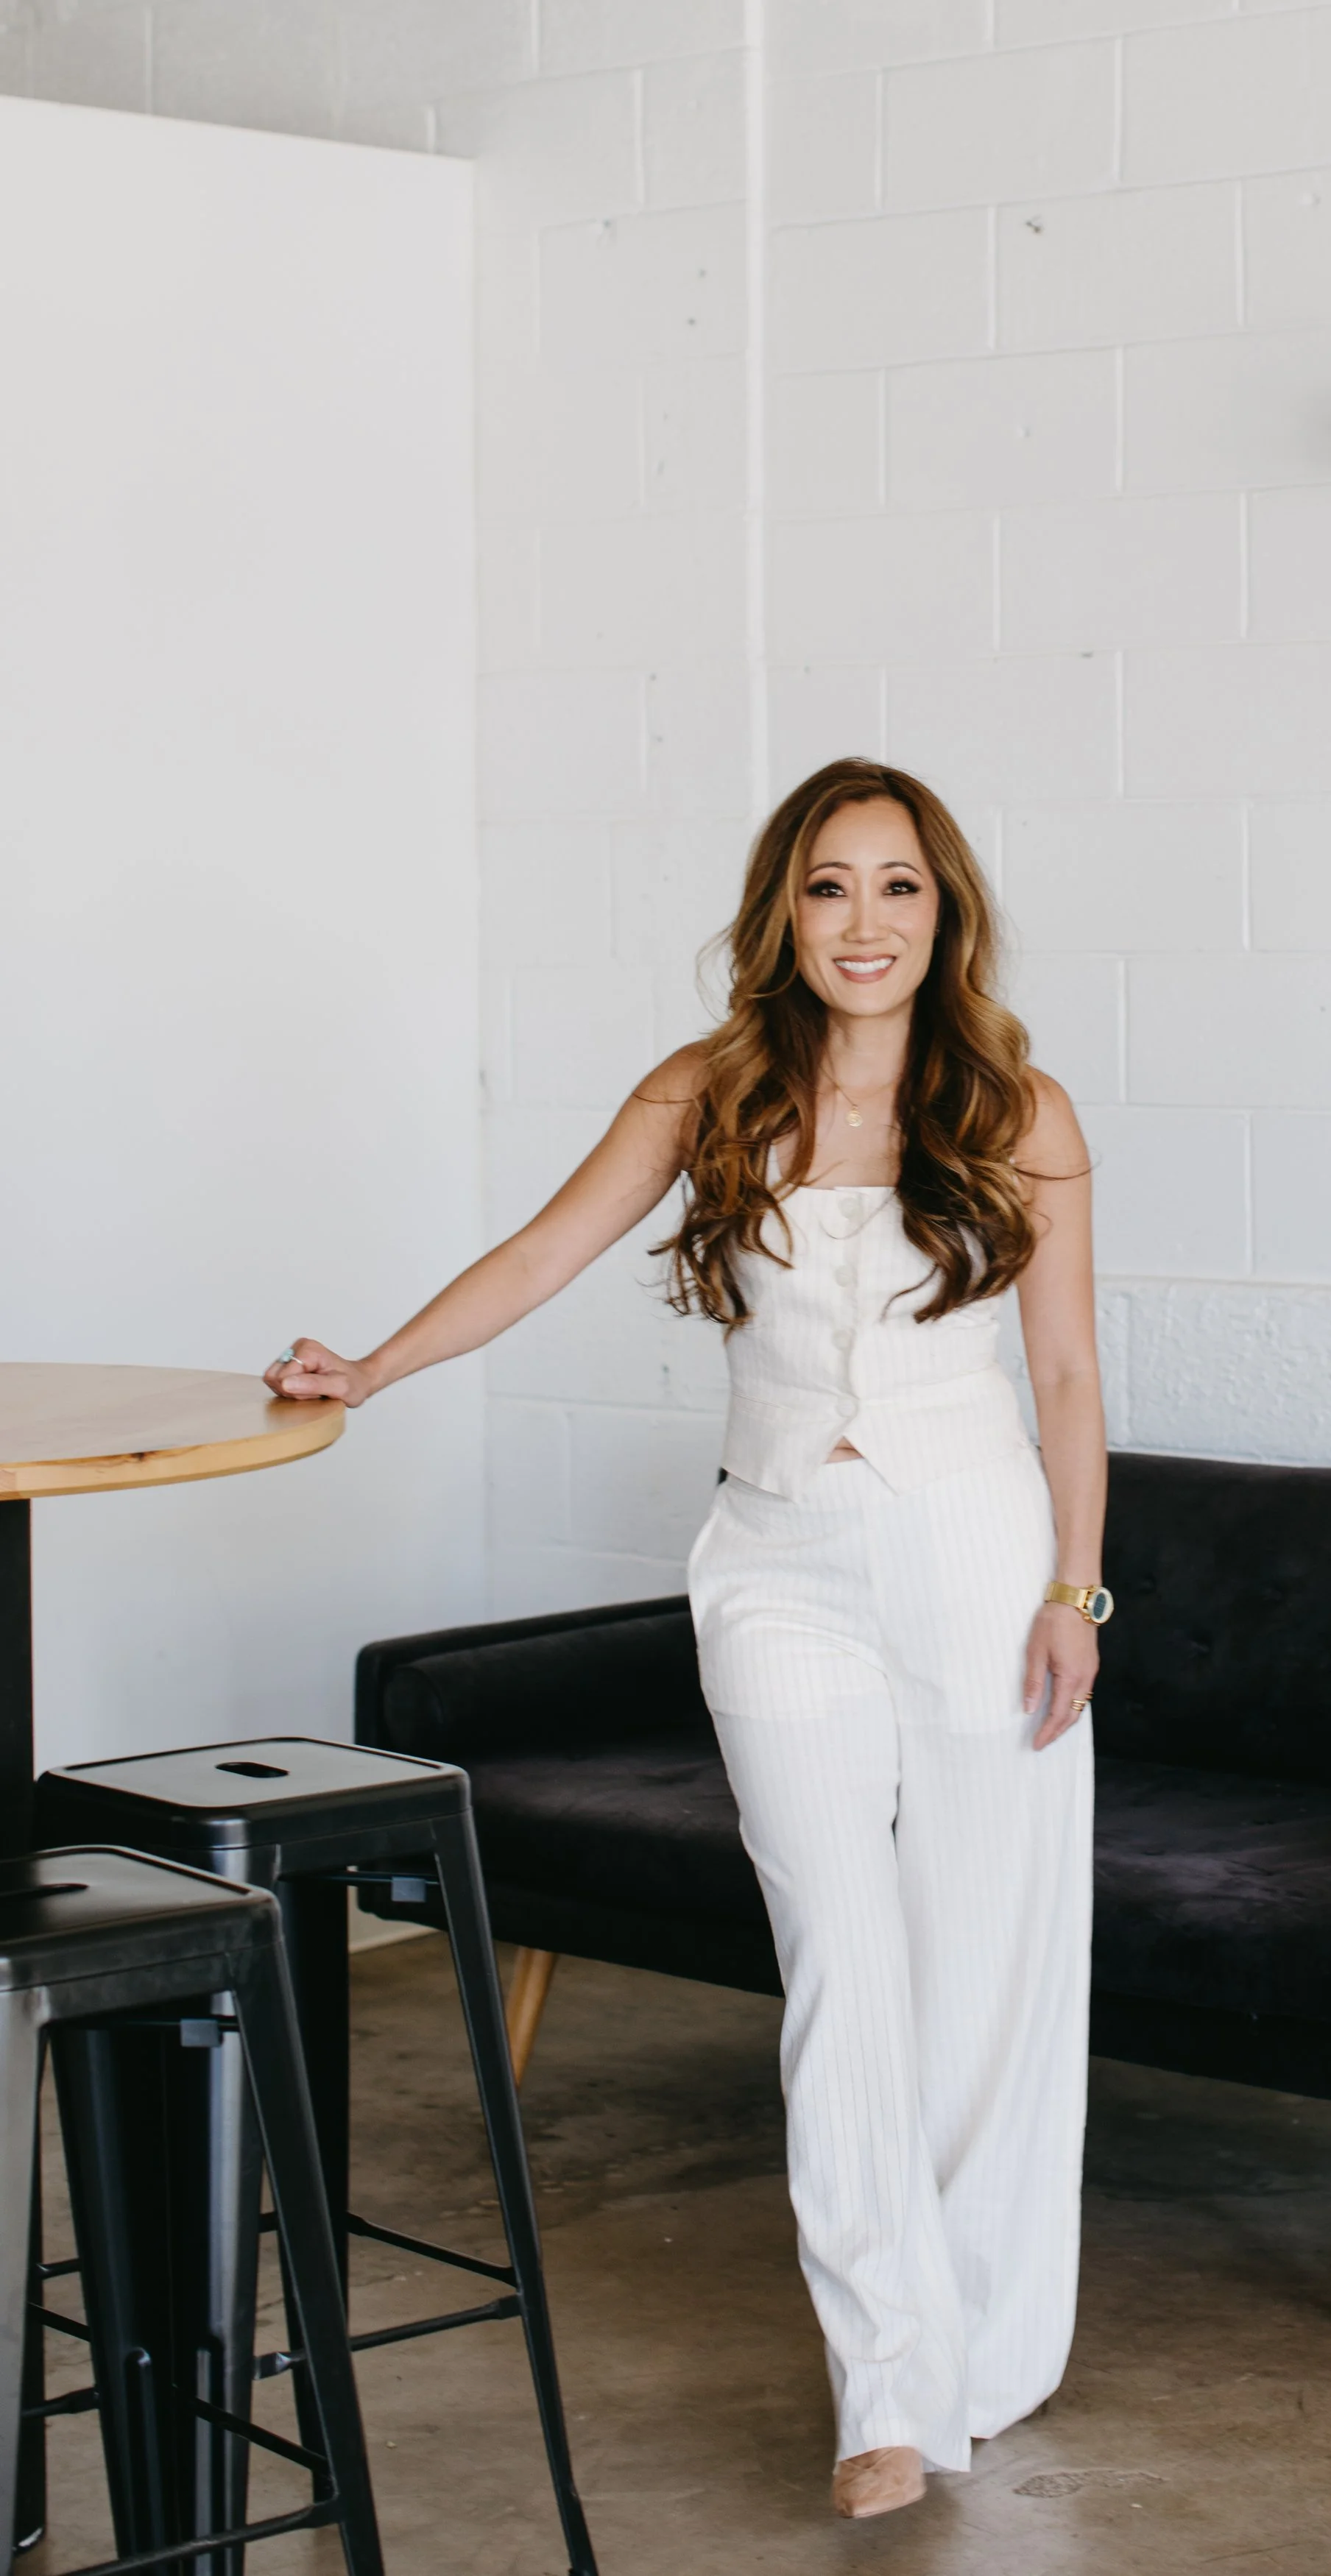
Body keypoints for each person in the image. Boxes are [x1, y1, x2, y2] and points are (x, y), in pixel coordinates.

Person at [266, 758, 1109, 2520]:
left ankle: (977, 2335)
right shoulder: (708, 1093)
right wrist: (372, 1363)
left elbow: (1066, 1377)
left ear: (942, 912)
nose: (861, 922)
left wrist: (1071, 1595)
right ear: (779, 912)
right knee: (839, 1964)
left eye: (896, 887)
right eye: (825, 886)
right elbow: (539, 1253)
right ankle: (884, 2385)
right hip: (773, 1562)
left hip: (975, 1557)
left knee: (983, 1963)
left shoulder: (1016, 1109)